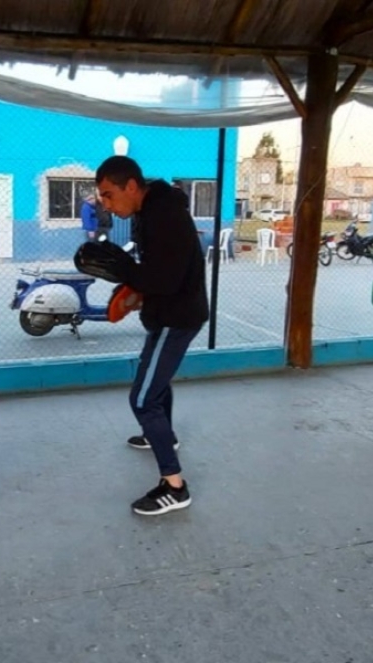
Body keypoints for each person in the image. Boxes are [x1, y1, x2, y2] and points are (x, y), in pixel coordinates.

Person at [95, 156, 208, 516]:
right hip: (170, 312)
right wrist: (133, 293)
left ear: (131, 186)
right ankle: (164, 436)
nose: (107, 205)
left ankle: (174, 487)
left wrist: (125, 273)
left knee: (143, 399)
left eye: (109, 195)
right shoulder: (151, 211)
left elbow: (165, 278)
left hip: (177, 317)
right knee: (155, 381)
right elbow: (161, 272)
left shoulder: (164, 215)